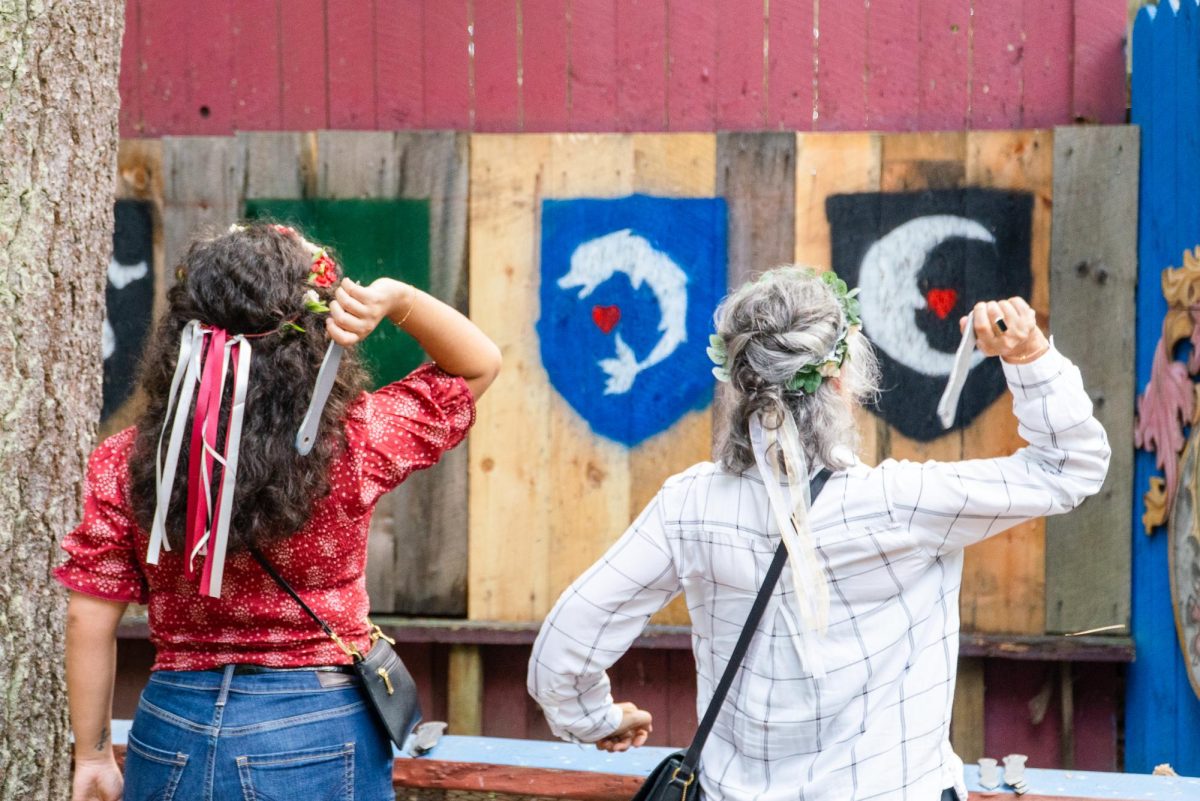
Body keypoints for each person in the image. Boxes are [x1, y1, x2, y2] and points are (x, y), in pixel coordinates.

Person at [527, 267, 1110, 801]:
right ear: (839, 380)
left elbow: (564, 645)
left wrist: (595, 719)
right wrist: (1029, 355)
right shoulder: (902, 503)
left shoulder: (691, 505)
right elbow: (1070, 468)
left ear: (738, 382)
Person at [61, 223, 501, 801]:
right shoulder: (355, 443)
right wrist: (400, 300)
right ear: (314, 333)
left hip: (170, 727)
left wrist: (91, 755)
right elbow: (477, 366)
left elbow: (87, 618)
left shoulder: (124, 462)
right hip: (319, 722)